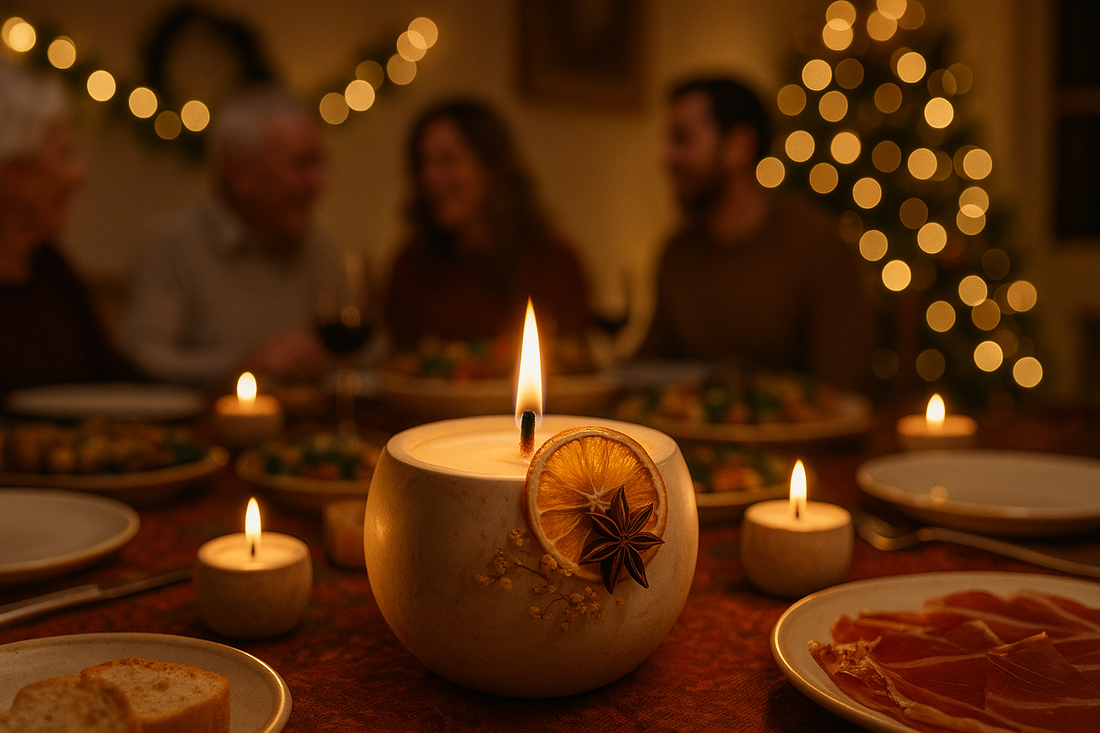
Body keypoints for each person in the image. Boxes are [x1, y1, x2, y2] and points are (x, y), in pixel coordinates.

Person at [641, 76, 873, 390]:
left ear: (739, 147)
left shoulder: (818, 245)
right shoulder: (677, 252)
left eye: (682, 139)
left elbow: (845, 388)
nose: (666, 158)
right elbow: (647, 370)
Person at [124, 87, 340, 387]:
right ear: (240, 172)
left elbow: (373, 347)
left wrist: (326, 355)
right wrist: (244, 363)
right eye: (302, 164)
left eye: (319, 163)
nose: (319, 182)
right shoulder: (171, 249)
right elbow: (143, 357)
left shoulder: (318, 247)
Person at [383, 99, 590, 361]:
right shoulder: (410, 267)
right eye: (423, 164)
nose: (430, 178)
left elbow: (572, 358)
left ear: (491, 167)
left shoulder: (555, 262)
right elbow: (400, 362)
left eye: (447, 161)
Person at [0, 62, 136, 398]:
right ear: (14, 172)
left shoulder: (52, 269)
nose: (79, 176)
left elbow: (116, 383)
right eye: (64, 155)